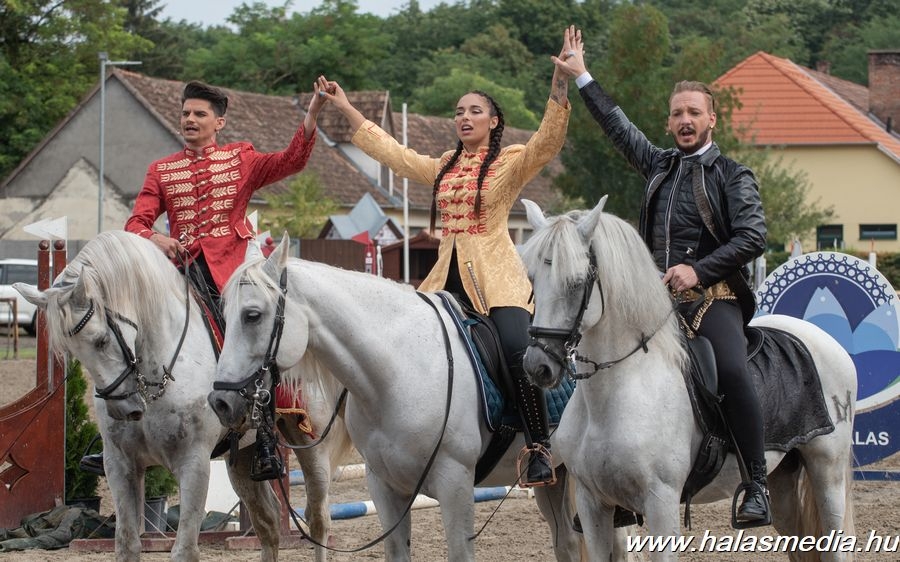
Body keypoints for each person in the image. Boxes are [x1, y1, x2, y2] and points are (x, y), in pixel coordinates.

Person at [317, 27, 579, 487]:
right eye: (459, 111)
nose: (464, 117)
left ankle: (538, 447)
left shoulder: (509, 161)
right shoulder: (443, 165)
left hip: (499, 282)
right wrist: (345, 107)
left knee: (518, 350)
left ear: (493, 121)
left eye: (475, 111)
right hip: (442, 282)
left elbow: (546, 143)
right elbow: (394, 155)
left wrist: (560, 83)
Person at [553, 29, 770, 524]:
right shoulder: (658, 164)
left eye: (694, 112)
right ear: (669, 122)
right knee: (599, 360)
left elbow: (753, 236)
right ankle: (614, 483)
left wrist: (698, 269)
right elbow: (617, 126)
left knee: (730, 370)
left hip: (714, 298)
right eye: (677, 113)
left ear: (712, 120)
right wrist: (582, 75)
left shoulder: (733, 175)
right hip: (654, 303)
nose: (685, 120)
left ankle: (755, 483)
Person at [80, 78, 329, 481]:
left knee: (258, 336)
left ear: (219, 122)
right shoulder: (161, 170)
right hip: (180, 271)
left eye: (199, 114)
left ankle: (269, 429)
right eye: (185, 113)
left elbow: (291, 161)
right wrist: (158, 239)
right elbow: (136, 222)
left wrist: (313, 113)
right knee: (135, 330)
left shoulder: (241, 158)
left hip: (233, 269)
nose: (190, 119)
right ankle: (119, 432)